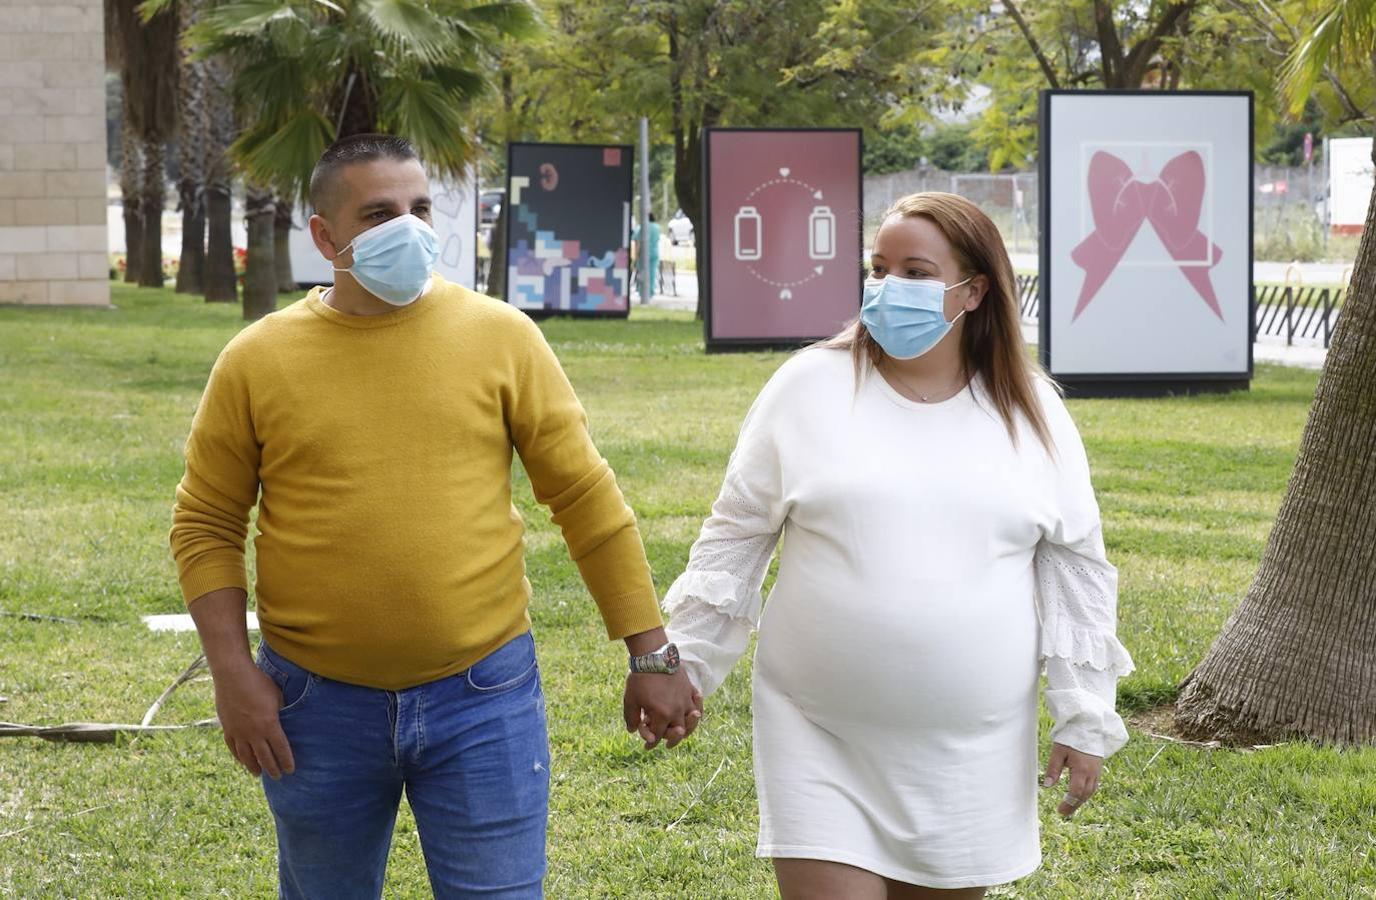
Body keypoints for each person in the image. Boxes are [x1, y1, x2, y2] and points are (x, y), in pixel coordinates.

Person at [169, 134, 701, 899]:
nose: (410, 228)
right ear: (325, 236)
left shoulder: (501, 336)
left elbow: (585, 498)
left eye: (420, 207)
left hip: (484, 696)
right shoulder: (258, 358)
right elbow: (207, 523)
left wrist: (650, 651)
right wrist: (230, 673)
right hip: (313, 704)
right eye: (378, 213)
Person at [663, 192, 1134, 898]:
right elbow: (735, 537)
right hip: (819, 737)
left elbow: (1077, 574)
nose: (887, 289)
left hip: (971, 755)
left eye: (915, 272)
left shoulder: (1035, 414)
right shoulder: (808, 387)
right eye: (879, 268)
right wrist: (687, 664)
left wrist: (1085, 715)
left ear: (974, 291)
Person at [632, 212, 662, 299]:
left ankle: (642, 291)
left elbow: (637, 242)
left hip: (644, 254)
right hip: (654, 253)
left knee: (642, 272)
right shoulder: (657, 227)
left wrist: (636, 255)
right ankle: (651, 291)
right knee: (652, 273)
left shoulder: (642, 227)